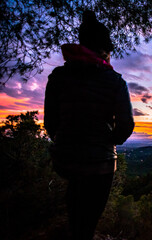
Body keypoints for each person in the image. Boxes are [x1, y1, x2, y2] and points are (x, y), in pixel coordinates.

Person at [44, 10, 134, 240]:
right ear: (104, 51)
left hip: (65, 158)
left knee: (75, 208)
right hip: (99, 164)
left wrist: (66, 141)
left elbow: (50, 124)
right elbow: (125, 126)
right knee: (88, 222)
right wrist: (107, 141)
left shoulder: (57, 77)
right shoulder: (115, 81)